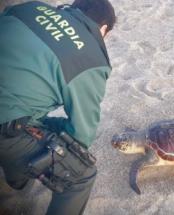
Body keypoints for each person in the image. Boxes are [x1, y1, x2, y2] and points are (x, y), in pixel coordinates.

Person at [0, 0, 116, 214]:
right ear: (103, 29)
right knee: (81, 175)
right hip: (6, 124)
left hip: (12, 111)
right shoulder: (91, 59)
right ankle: (16, 179)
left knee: (33, 119)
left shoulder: (30, 7)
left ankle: (15, 183)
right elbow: (81, 136)